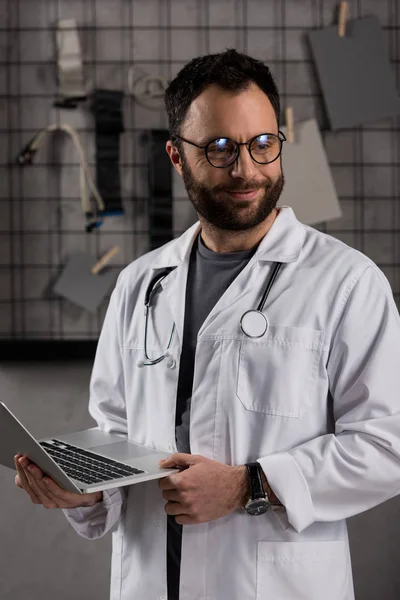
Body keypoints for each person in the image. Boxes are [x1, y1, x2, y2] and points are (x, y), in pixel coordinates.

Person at [14, 49, 400, 600]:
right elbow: (117, 439)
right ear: (176, 156)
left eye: (263, 144)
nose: (246, 168)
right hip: (151, 583)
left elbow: (387, 446)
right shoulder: (141, 285)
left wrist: (248, 486)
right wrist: (86, 492)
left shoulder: (347, 283)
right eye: (219, 148)